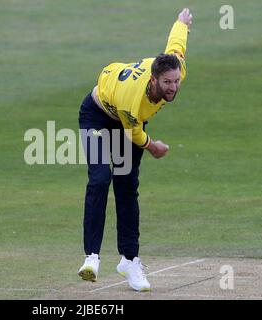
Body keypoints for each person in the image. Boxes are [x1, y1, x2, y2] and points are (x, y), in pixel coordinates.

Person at [77, 8, 193, 292]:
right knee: (101, 178)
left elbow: (175, 46)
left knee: (127, 186)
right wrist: (154, 147)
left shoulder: (175, 68)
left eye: (176, 81)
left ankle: (129, 260)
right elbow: (135, 133)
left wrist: (181, 24)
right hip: (99, 115)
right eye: (167, 83)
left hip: (128, 119)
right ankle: (91, 257)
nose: (173, 88)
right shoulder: (135, 100)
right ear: (153, 80)